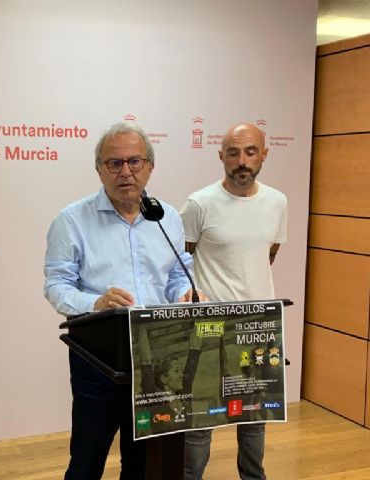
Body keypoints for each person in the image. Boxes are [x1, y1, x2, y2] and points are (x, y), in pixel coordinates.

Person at [44, 122, 199, 479]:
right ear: (99, 169)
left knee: (143, 463)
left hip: (158, 357)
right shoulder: (72, 220)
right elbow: (56, 287)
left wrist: (185, 293)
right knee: (87, 462)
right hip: (100, 358)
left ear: (150, 167)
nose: (125, 172)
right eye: (114, 163)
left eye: (134, 161)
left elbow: (177, 276)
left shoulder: (167, 217)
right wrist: (97, 303)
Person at [180, 123, 288, 480]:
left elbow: (268, 254)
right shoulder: (199, 203)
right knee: (201, 419)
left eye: (251, 151)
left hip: (259, 324)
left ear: (264, 154)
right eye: (233, 152)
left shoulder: (277, 202)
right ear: (221, 156)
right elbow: (181, 260)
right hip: (209, 325)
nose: (242, 160)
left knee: (255, 417)